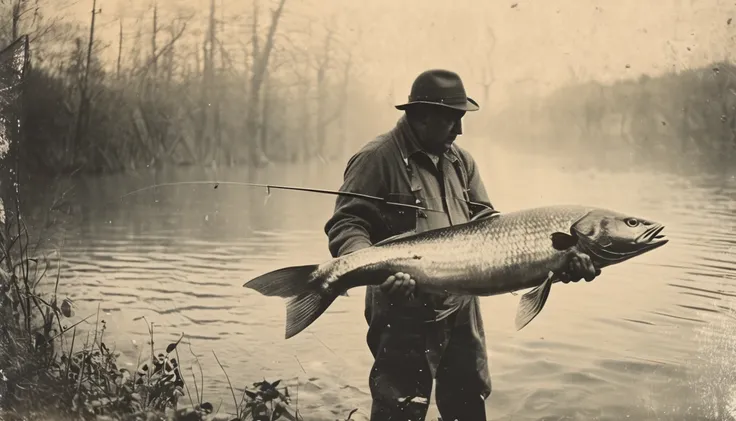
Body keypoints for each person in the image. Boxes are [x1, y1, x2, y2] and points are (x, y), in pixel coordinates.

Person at [324, 69, 600, 421]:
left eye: (461, 119)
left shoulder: (461, 160)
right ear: (421, 116)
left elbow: (488, 223)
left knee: (468, 403)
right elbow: (347, 223)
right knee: (401, 407)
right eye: (451, 119)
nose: (459, 130)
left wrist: (552, 263)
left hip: (462, 308)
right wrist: (367, 267)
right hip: (401, 306)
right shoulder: (377, 157)